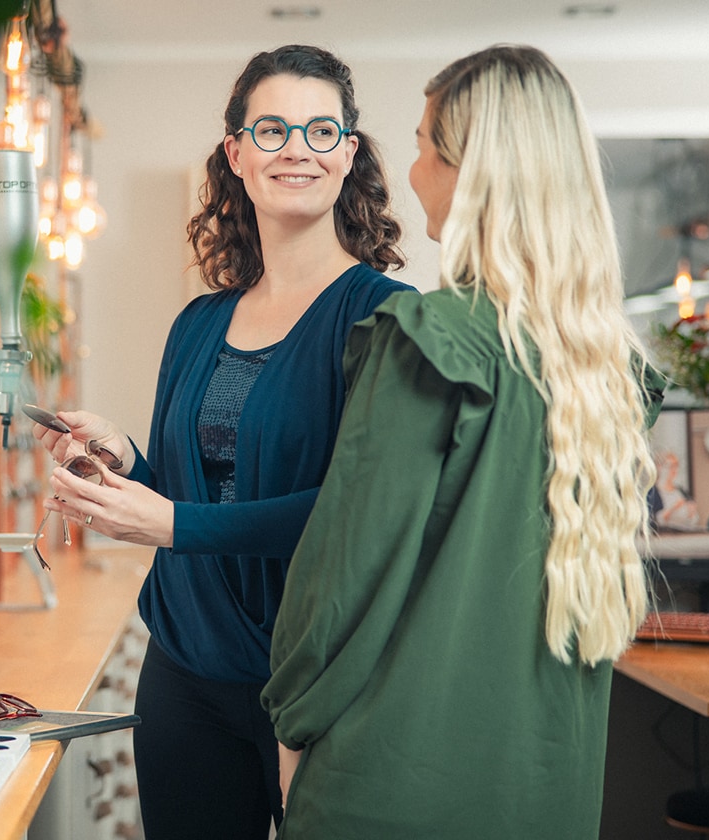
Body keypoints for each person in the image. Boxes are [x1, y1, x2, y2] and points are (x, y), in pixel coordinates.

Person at [261, 44, 667, 840]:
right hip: (548, 785)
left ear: (466, 169)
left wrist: (290, 721)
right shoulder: (610, 371)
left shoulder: (428, 336)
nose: (411, 172)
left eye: (420, 145)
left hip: (389, 786)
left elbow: (346, 573)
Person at [30, 44, 412, 840]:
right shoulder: (201, 323)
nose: (296, 148)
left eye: (320, 130)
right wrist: (127, 458)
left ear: (348, 153)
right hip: (184, 671)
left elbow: (361, 508)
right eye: (271, 129)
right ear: (236, 153)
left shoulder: (384, 316)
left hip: (317, 677)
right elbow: (202, 483)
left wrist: (170, 526)